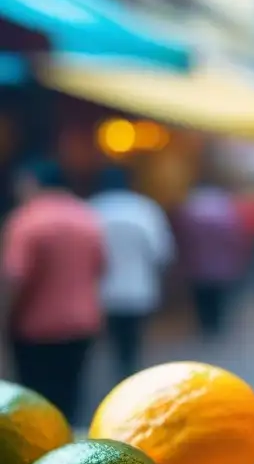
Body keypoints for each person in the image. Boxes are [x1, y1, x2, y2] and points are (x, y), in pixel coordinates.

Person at [0, 160, 105, 422]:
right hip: (82, 323)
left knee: (36, 404)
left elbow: (15, 278)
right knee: (71, 395)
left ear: (32, 182)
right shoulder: (87, 216)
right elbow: (101, 267)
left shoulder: (27, 220)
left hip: (36, 328)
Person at [91, 166, 175, 381]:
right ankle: (128, 372)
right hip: (139, 288)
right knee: (133, 340)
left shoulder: (92, 208)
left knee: (110, 340)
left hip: (102, 291)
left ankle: (117, 374)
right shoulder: (145, 209)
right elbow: (162, 252)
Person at [176, 183, 247, 340]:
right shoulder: (226, 214)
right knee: (218, 295)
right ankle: (216, 323)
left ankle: (205, 324)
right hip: (221, 265)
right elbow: (234, 240)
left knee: (202, 296)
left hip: (197, 265)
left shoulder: (191, 214)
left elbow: (184, 240)